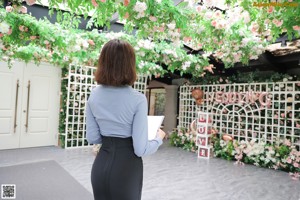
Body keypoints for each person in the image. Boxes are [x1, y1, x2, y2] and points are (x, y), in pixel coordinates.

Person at [86, 39, 166, 200]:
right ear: (130, 65)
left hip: (100, 167)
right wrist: (159, 138)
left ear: (103, 63)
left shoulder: (94, 95)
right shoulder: (137, 99)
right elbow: (140, 149)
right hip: (126, 170)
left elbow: (92, 137)